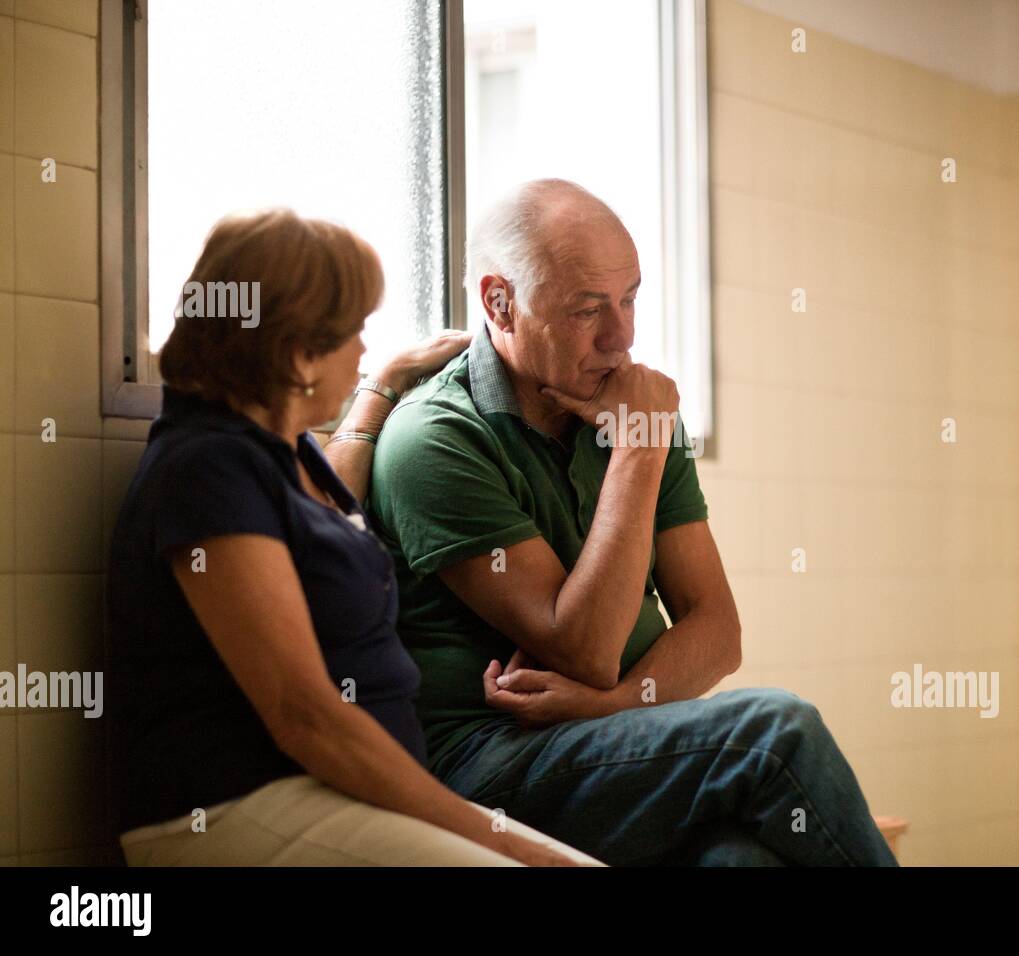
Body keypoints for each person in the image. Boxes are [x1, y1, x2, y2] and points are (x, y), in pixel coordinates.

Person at [368, 180, 899, 866]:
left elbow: (717, 631)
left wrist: (606, 705)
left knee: (742, 862)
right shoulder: (435, 439)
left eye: (630, 299)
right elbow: (582, 646)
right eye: (588, 309)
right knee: (774, 731)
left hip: (612, 743)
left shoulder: (635, 409)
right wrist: (641, 448)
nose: (620, 337)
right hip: (485, 767)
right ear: (500, 302)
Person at [106, 209, 601, 866]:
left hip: (336, 792)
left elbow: (326, 535)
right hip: (240, 804)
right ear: (299, 353)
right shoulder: (207, 467)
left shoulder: (287, 454)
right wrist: (496, 837)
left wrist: (384, 387)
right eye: (354, 334)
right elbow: (304, 715)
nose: (366, 350)